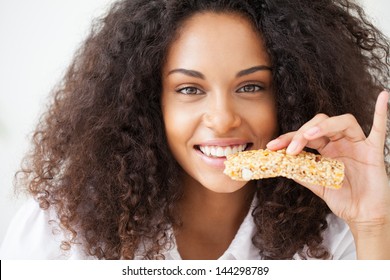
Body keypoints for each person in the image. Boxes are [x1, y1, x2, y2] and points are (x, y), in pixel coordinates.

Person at [0, 0, 389, 260]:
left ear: (290, 95)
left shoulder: (339, 232)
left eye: (251, 87)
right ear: (151, 103)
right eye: (189, 89)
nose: (222, 118)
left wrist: (373, 225)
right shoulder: (61, 228)